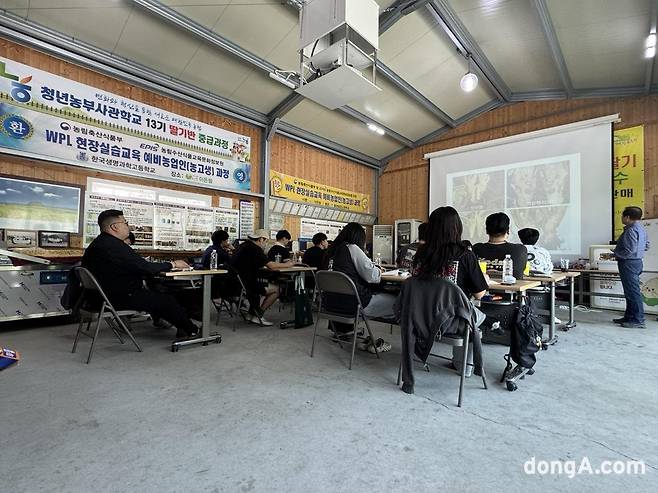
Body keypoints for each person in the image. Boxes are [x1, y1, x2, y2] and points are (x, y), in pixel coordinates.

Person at [81, 209, 199, 341]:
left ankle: (178, 325)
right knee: (167, 300)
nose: (128, 226)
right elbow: (145, 267)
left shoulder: (97, 244)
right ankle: (192, 331)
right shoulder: (115, 246)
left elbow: (136, 266)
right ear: (114, 227)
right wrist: (173, 264)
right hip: (118, 298)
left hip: (98, 298)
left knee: (156, 294)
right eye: (125, 223)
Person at [412, 207, 490, 376]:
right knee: (476, 317)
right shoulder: (465, 255)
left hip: (419, 316)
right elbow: (479, 294)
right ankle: (464, 367)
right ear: (457, 227)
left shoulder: (420, 253)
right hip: (449, 320)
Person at [324, 222, 394, 352]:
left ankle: (345, 332)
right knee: (401, 301)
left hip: (330, 305)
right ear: (359, 237)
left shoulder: (330, 252)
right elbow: (372, 276)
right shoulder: (352, 248)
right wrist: (379, 270)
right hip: (354, 305)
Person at [231, 228, 293, 326]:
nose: (266, 244)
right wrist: (288, 265)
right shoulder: (255, 249)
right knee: (276, 289)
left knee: (263, 284)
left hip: (235, 283)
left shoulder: (242, 246)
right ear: (261, 239)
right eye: (266, 241)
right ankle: (258, 315)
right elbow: (271, 266)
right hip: (247, 285)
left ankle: (251, 314)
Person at [613, 206, 649, 328]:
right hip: (637, 262)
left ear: (627, 217)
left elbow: (629, 250)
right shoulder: (642, 229)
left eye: (622, 216)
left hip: (628, 263)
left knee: (633, 293)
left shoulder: (630, 230)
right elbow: (647, 246)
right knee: (630, 292)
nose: (621, 218)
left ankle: (638, 320)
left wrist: (615, 254)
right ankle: (629, 317)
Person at [473, 212, 527, 280]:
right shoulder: (519, 250)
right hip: (512, 286)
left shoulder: (476, 249)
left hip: (482, 286)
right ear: (508, 231)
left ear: (486, 231)